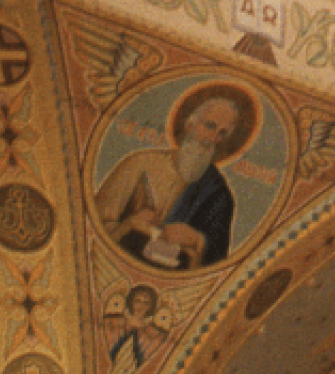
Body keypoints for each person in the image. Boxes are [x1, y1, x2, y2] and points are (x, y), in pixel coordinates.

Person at [95, 82, 257, 270]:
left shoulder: (218, 193)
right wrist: (130, 225)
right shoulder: (139, 163)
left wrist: (197, 240)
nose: (212, 139)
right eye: (209, 126)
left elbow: (217, 262)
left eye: (222, 133)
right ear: (190, 124)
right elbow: (93, 226)